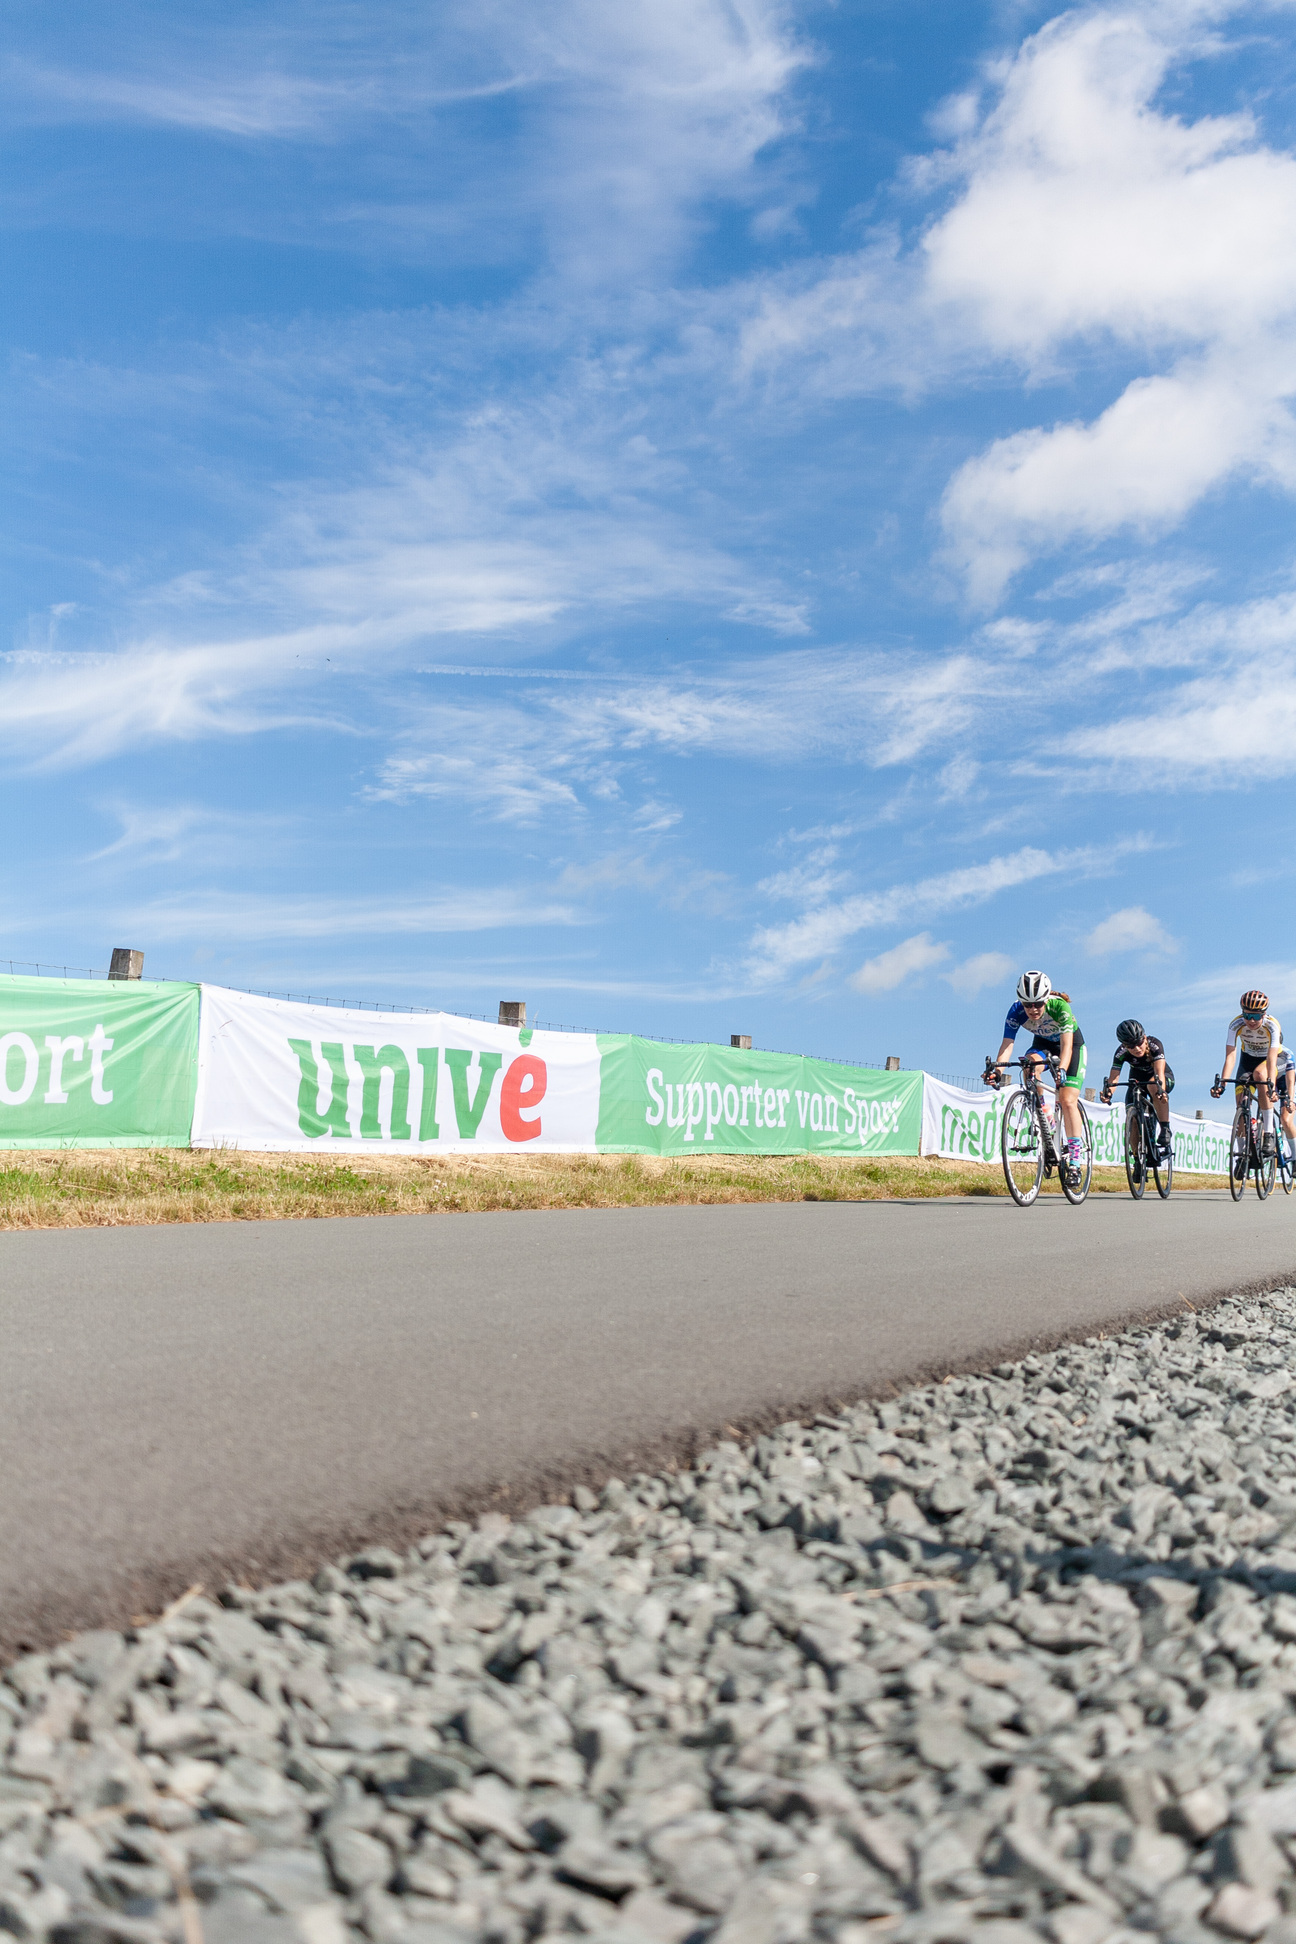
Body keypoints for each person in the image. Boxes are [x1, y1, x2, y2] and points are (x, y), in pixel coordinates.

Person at [989, 971, 1087, 1183]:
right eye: (1028, 1004)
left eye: (1038, 1004)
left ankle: (1076, 1163)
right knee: (1028, 1066)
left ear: (1045, 999)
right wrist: (997, 1072)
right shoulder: (1015, 1012)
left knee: (1068, 1099)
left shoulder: (1060, 1006)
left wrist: (1061, 1069)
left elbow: (1067, 1047)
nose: (1033, 1009)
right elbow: (1007, 1045)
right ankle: (1047, 1119)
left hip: (1071, 1047)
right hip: (1043, 1045)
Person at [1210, 989, 1283, 1155]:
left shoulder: (1272, 1026)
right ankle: (1242, 1154)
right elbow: (1230, 1057)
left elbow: (1272, 1059)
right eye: (1247, 1015)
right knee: (1241, 1105)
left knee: (1260, 1075)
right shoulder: (1235, 1025)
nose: (1251, 1020)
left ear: (1264, 1015)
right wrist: (1222, 1084)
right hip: (1247, 1059)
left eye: (1256, 1016)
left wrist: (1271, 1085)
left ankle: (1269, 1133)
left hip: (1266, 1059)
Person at [1100, 1021, 1174, 1155]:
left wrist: (1161, 1089)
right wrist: (1108, 1093)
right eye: (1131, 1046)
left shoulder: (1155, 1045)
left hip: (1159, 1076)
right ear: (1124, 1046)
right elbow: (1114, 1078)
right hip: (1137, 1079)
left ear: (1144, 1038)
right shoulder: (1120, 1052)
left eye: (1139, 1043)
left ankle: (1165, 1128)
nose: (1137, 1049)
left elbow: (1159, 1073)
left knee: (1153, 1086)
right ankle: (1136, 1159)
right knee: (1131, 1114)